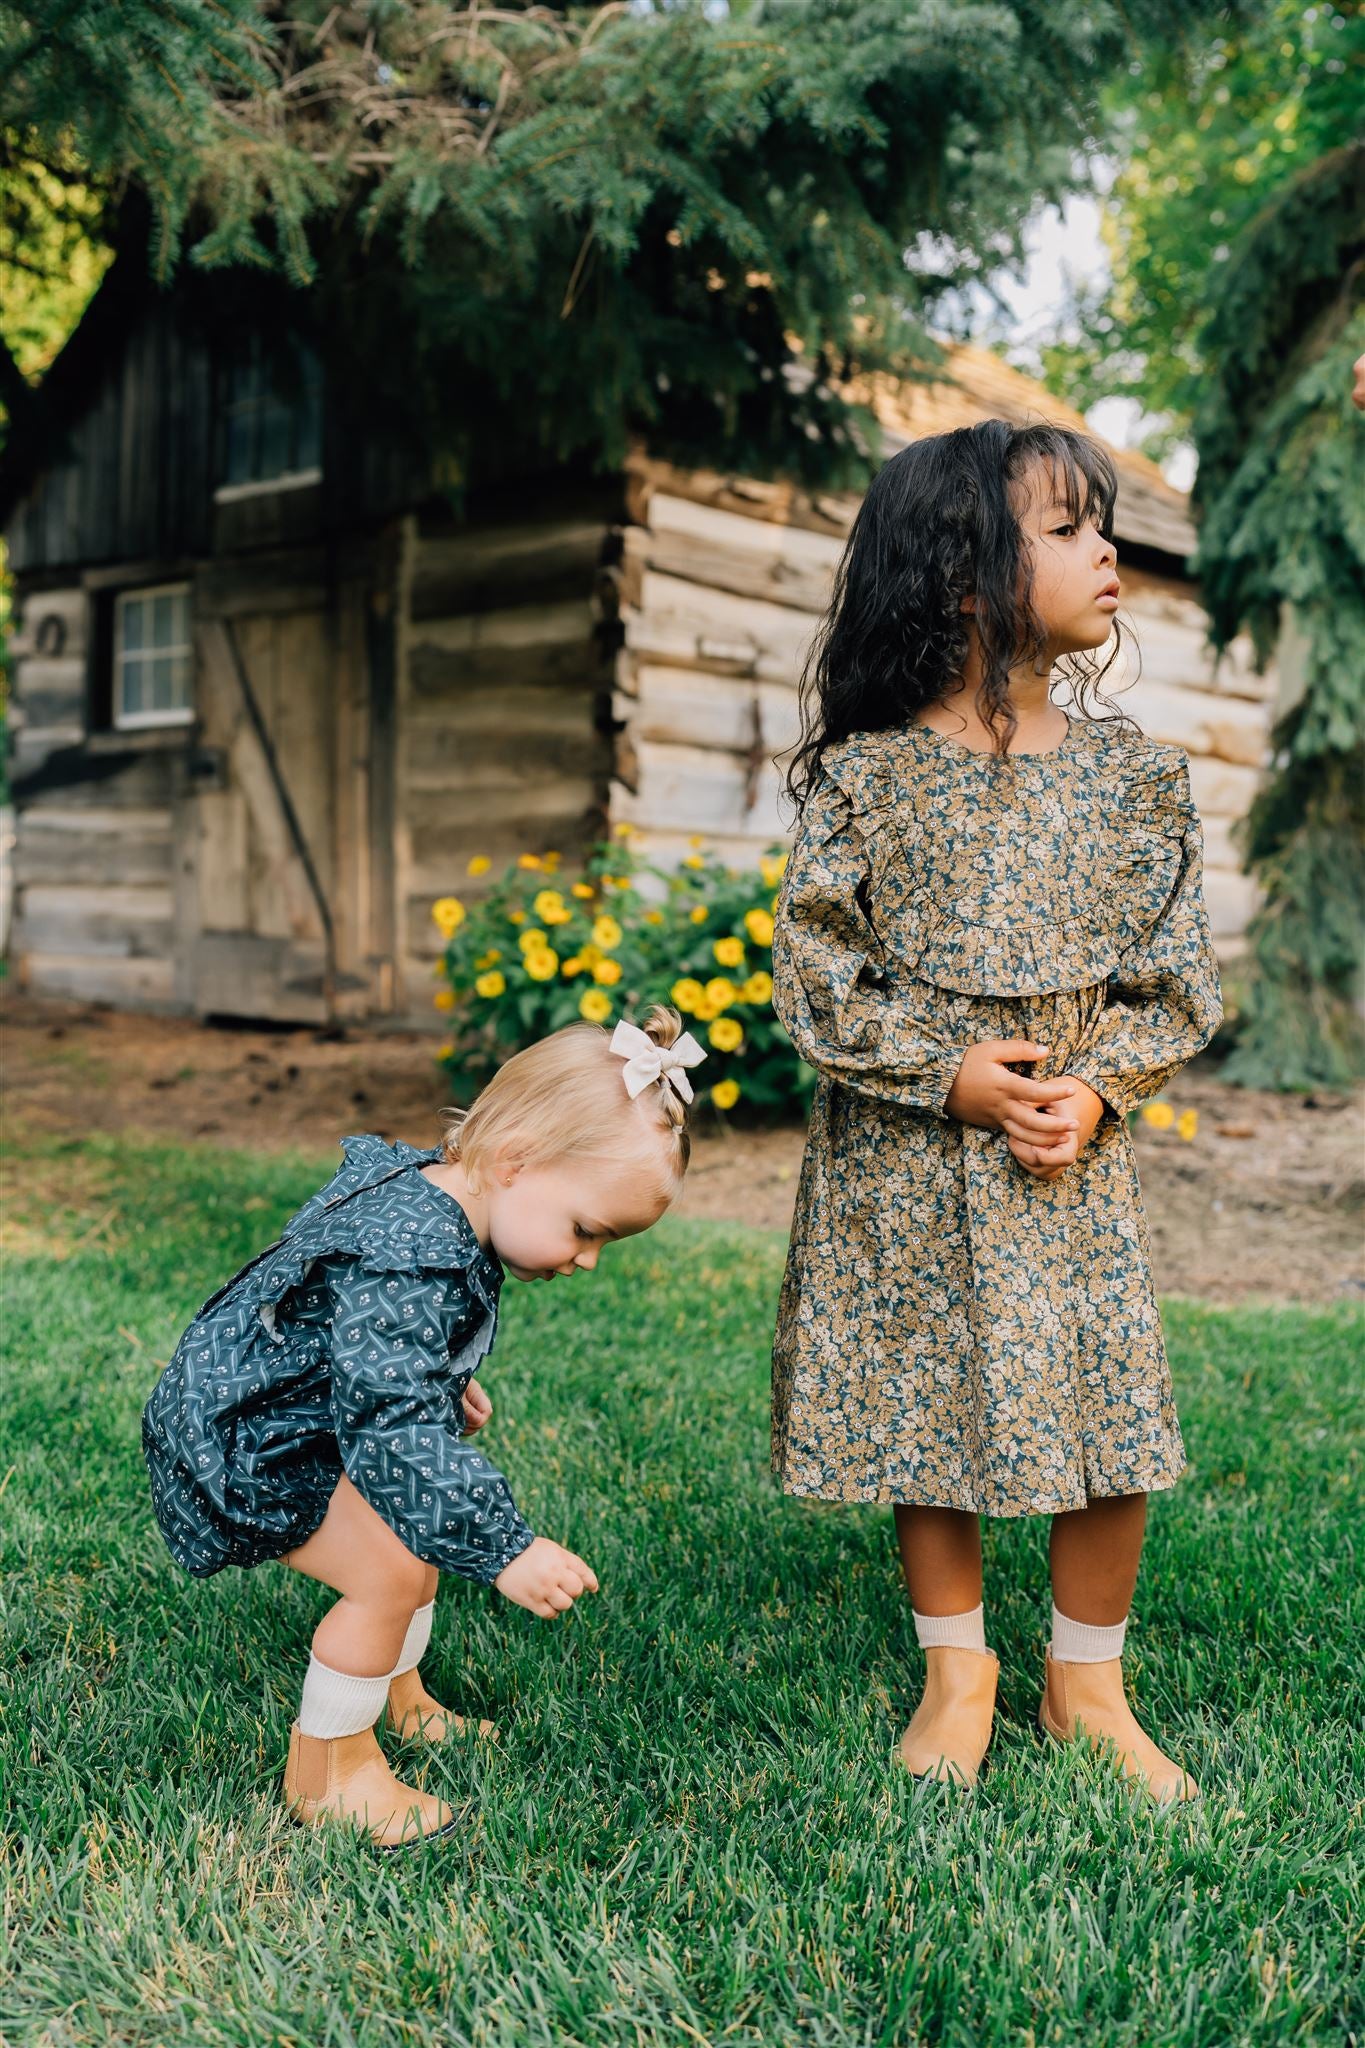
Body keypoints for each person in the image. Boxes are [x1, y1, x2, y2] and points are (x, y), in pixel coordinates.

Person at [770, 419, 1223, 1803]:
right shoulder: (867, 775)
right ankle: (957, 1668)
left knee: (1111, 1417)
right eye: (1071, 529)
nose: (1110, 553)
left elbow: (1177, 982)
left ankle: (1087, 1680)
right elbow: (818, 970)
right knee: (930, 1406)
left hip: (1066, 1165)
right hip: (911, 1161)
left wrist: (1094, 1088)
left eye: (1110, 528)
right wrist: (943, 1073)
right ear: (963, 573)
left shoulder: (1134, 779)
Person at [142, 1008, 705, 1849]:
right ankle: (328, 1770)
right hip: (244, 1434)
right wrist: (506, 1546)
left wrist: (444, 1377)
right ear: (513, 1160)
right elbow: (390, 1426)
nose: (586, 1258)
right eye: (586, 1229)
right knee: (389, 1574)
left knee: (410, 1542)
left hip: (286, 1401)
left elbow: (363, 1340)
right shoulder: (415, 1255)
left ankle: (399, 1698)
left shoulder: (445, 1195)